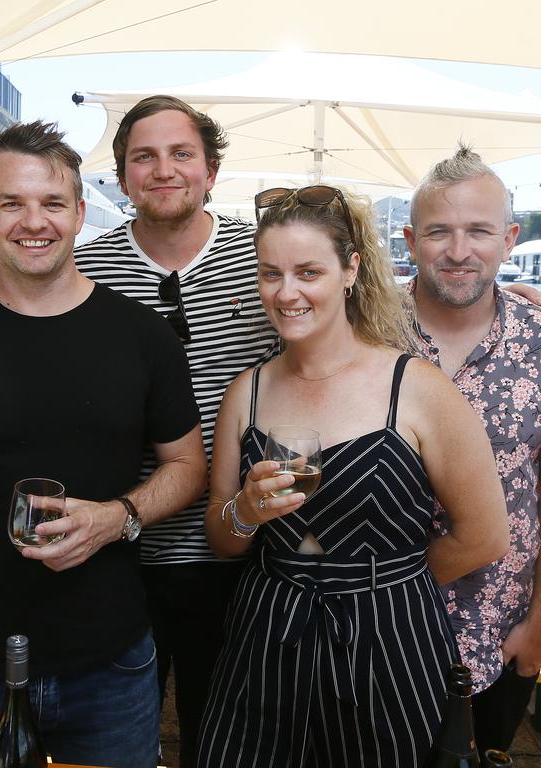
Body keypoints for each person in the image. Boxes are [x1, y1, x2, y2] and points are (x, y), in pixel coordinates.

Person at [0, 120, 206, 768]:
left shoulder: (143, 337)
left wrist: (120, 517)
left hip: (110, 662)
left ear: (80, 213)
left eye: (53, 203)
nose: (35, 221)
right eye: (12, 203)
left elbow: (188, 466)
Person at [195, 184, 509, 767]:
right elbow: (221, 540)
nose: (286, 293)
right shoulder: (248, 390)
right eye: (271, 274)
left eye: (308, 271)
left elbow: (486, 535)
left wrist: (381, 586)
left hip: (390, 644)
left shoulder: (415, 388)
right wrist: (246, 511)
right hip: (267, 634)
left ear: (350, 270)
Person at [75, 95, 277, 768]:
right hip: (116, 551)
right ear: (124, 175)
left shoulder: (265, 263)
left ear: (211, 171)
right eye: (144, 157)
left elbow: (345, 326)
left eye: (181, 153)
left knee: (224, 735)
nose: (163, 170)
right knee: (115, 738)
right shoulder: (86, 273)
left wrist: (499, 297)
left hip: (238, 551)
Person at [404, 145, 541, 758]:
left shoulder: (538, 339)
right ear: (410, 239)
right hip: (380, 625)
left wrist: (539, 627)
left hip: (504, 624)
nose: (459, 252)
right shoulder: (365, 331)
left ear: (509, 238)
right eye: (439, 231)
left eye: (479, 231)